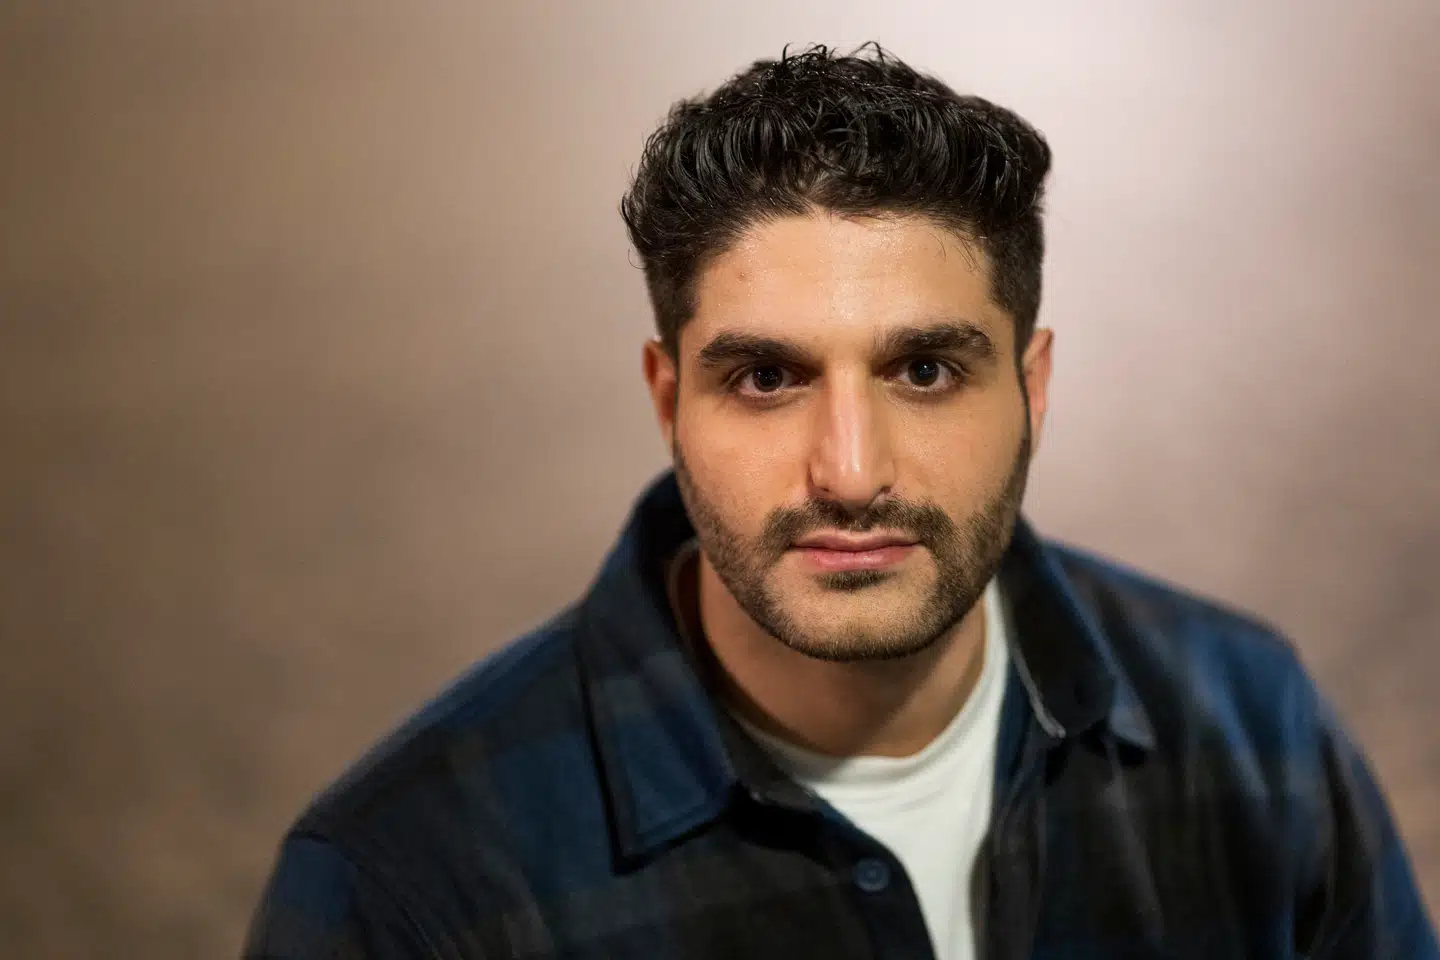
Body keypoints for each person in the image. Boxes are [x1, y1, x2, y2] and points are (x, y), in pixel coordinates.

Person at [242, 43, 1437, 960]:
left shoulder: (1255, 730)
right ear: (668, 399)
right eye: (767, 379)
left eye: (925, 371)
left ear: (1032, 389)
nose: (852, 472)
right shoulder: (404, 892)